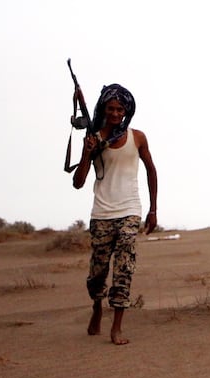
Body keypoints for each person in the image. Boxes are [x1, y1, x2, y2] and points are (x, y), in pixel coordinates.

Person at [72, 83, 158, 345]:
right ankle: (97, 306)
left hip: (130, 211)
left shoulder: (138, 137)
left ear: (126, 111)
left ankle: (117, 326)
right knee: (98, 272)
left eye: (120, 108)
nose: (115, 113)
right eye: (110, 108)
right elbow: (78, 182)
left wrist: (153, 210)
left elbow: (151, 171)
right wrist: (88, 152)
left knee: (124, 267)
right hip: (102, 213)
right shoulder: (95, 138)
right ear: (103, 109)